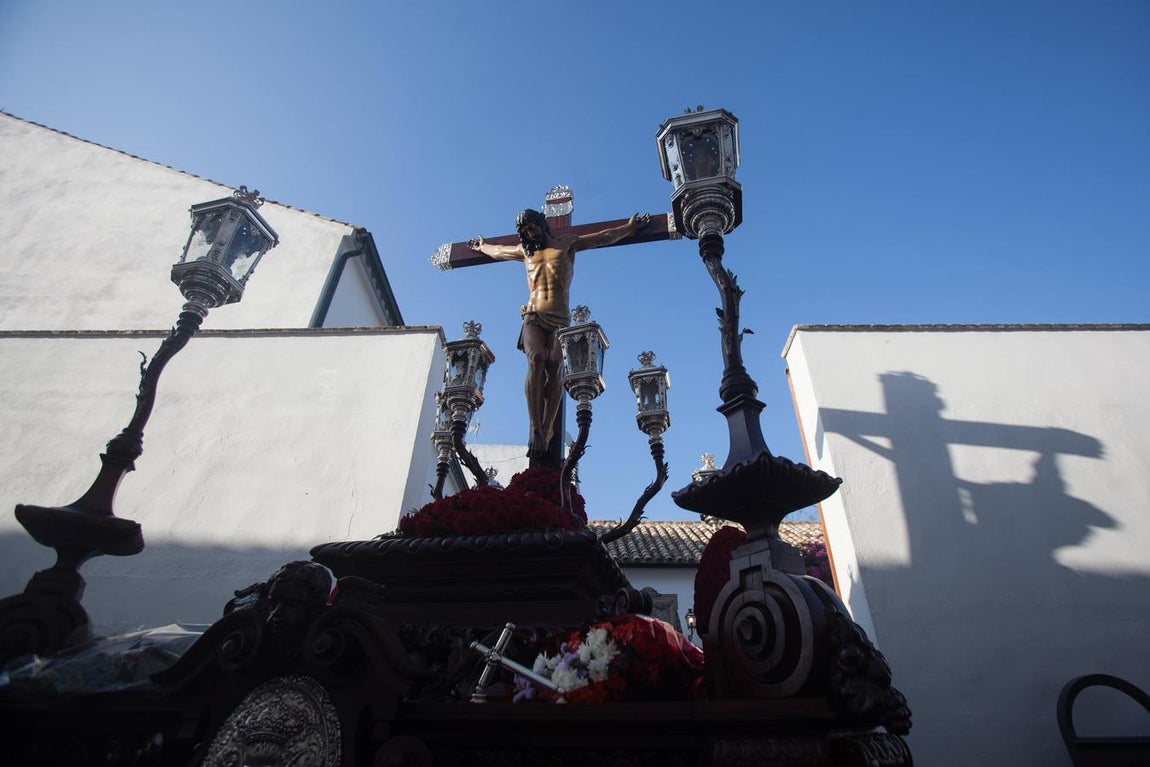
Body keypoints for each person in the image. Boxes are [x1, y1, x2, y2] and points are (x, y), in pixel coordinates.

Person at [469, 209, 648, 457]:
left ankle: (547, 427)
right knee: (536, 358)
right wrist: (483, 246)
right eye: (525, 230)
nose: (530, 233)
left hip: (559, 318)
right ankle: (535, 427)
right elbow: (499, 251)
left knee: (554, 364)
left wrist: (628, 228)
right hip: (533, 314)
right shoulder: (526, 252)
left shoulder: (566, 244)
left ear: (542, 224)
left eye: (532, 226)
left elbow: (602, 237)